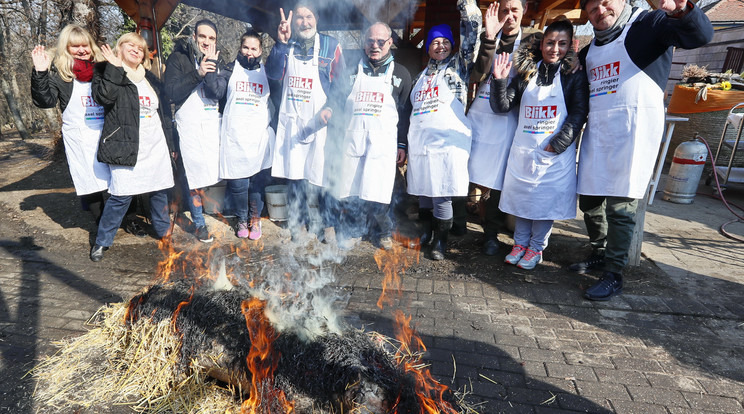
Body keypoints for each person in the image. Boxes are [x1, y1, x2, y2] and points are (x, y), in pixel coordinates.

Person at [573, 0, 713, 299]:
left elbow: (699, 36)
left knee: (621, 208)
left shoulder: (648, 26)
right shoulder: (588, 52)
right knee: (589, 201)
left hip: (633, 135)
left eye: (605, 1)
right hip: (598, 134)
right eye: (592, 7)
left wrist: (679, 9)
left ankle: (614, 273)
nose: (600, 10)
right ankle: (600, 249)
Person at [490, 19, 589, 270]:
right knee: (522, 202)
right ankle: (519, 244)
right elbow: (502, 106)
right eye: (550, 43)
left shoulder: (573, 76)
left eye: (561, 43)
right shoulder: (527, 73)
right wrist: (500, 80)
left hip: (553, 155)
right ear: (541, 44)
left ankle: (536, 249)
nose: (555, 49)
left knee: (544, 205)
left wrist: (558, 144)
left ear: (570, 46)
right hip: (524, 151)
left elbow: (578, 113)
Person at [89, 32, 175, 261]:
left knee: (159, 191)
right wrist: (115, 68)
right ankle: (102, 241)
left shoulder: (150, 78)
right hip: (125, 144)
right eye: (131, 45)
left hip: (155, 144)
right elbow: (104, 98)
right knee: (121, 195)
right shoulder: (104, 70)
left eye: (141, 48)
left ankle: (163, 231)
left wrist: (171, 143)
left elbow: (164, 114)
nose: (137, 50)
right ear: (119, 48)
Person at [407, 0, 481, 260]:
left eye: (445, 42)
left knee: (442, 193)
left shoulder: (459, 67)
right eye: (436, 42)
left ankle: (440, 241)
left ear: (452, 45)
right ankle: (426, 231)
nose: (441, 46)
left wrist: (466, 5)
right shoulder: (420, 76)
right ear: (428, 47)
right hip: (421, 142)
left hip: (448, 143)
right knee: (425, 191)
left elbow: (472, 34)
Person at [265, 3, 345, 241]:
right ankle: (298, 223)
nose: (304, 22)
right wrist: (279, 43)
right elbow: (273, 74)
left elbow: (342, 85)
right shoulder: (285, 43)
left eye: (308, 16)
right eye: (299, 18)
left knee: (323, 175)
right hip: (292, 122)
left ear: (316, 18)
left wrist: (331, 107)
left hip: (321, 123)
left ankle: (328, 224)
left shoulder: (331, 46)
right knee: (295, 176)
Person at [467, 0, 540, 256]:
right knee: (463, 168)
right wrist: (489, 37)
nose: (509, 16)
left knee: (498, 179)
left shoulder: (533, 43)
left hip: (507, 116)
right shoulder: (485, 38)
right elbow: (477, 76)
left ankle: (490, 233)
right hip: (479, 114)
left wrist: (572, 60)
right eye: (504, 10)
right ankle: (452, 223)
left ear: (524, 12)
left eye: (514, 10)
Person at [332, 22, 411, 250]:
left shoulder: (401, 75)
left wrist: (402, 144)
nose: (374, 46)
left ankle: (383, 232)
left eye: (380, 42)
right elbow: (337, 104)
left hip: (383, 143)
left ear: (390, 43)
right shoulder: (349, 71)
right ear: (364, 43)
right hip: (353, 140)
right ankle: (356, 229)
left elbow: (405, 114)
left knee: (379, 189)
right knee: (352, 188)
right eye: (370, 41)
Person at [30, 24, 109, 225]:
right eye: (75, 47)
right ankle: (101, 225)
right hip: (81, 138)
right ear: (66, 49)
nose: (82, 50)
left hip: (107, 134)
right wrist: (40, 73)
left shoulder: (105, 68)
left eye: (85, 45)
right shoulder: (61, 76)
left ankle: (128, 218)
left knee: (120, 179)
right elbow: (45, 101)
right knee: (90, 182)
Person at [207, 29, 276, 239]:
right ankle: (242, 219)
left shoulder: (268, 73)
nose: (249, 52)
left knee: (257, 184)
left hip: (258, 138)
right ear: (240, 48)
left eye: (254, 48)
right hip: (235, 138)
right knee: (238, 185)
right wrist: (210, 67)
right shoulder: (229, 69)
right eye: (245, 47)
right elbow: (215, 92)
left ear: (261, 50)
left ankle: (255, 220)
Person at [164, 19, 223, 243]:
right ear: (194, 37)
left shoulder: (219, 60)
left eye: (211, 38)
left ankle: (215, 210)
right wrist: (198, 73)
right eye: (203, 37)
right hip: (189, 126)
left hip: (210, 124)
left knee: (211, 173)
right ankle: (199, 223)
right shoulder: (178, 58)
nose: (207, 42)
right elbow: (171, 91)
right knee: (194, 176)